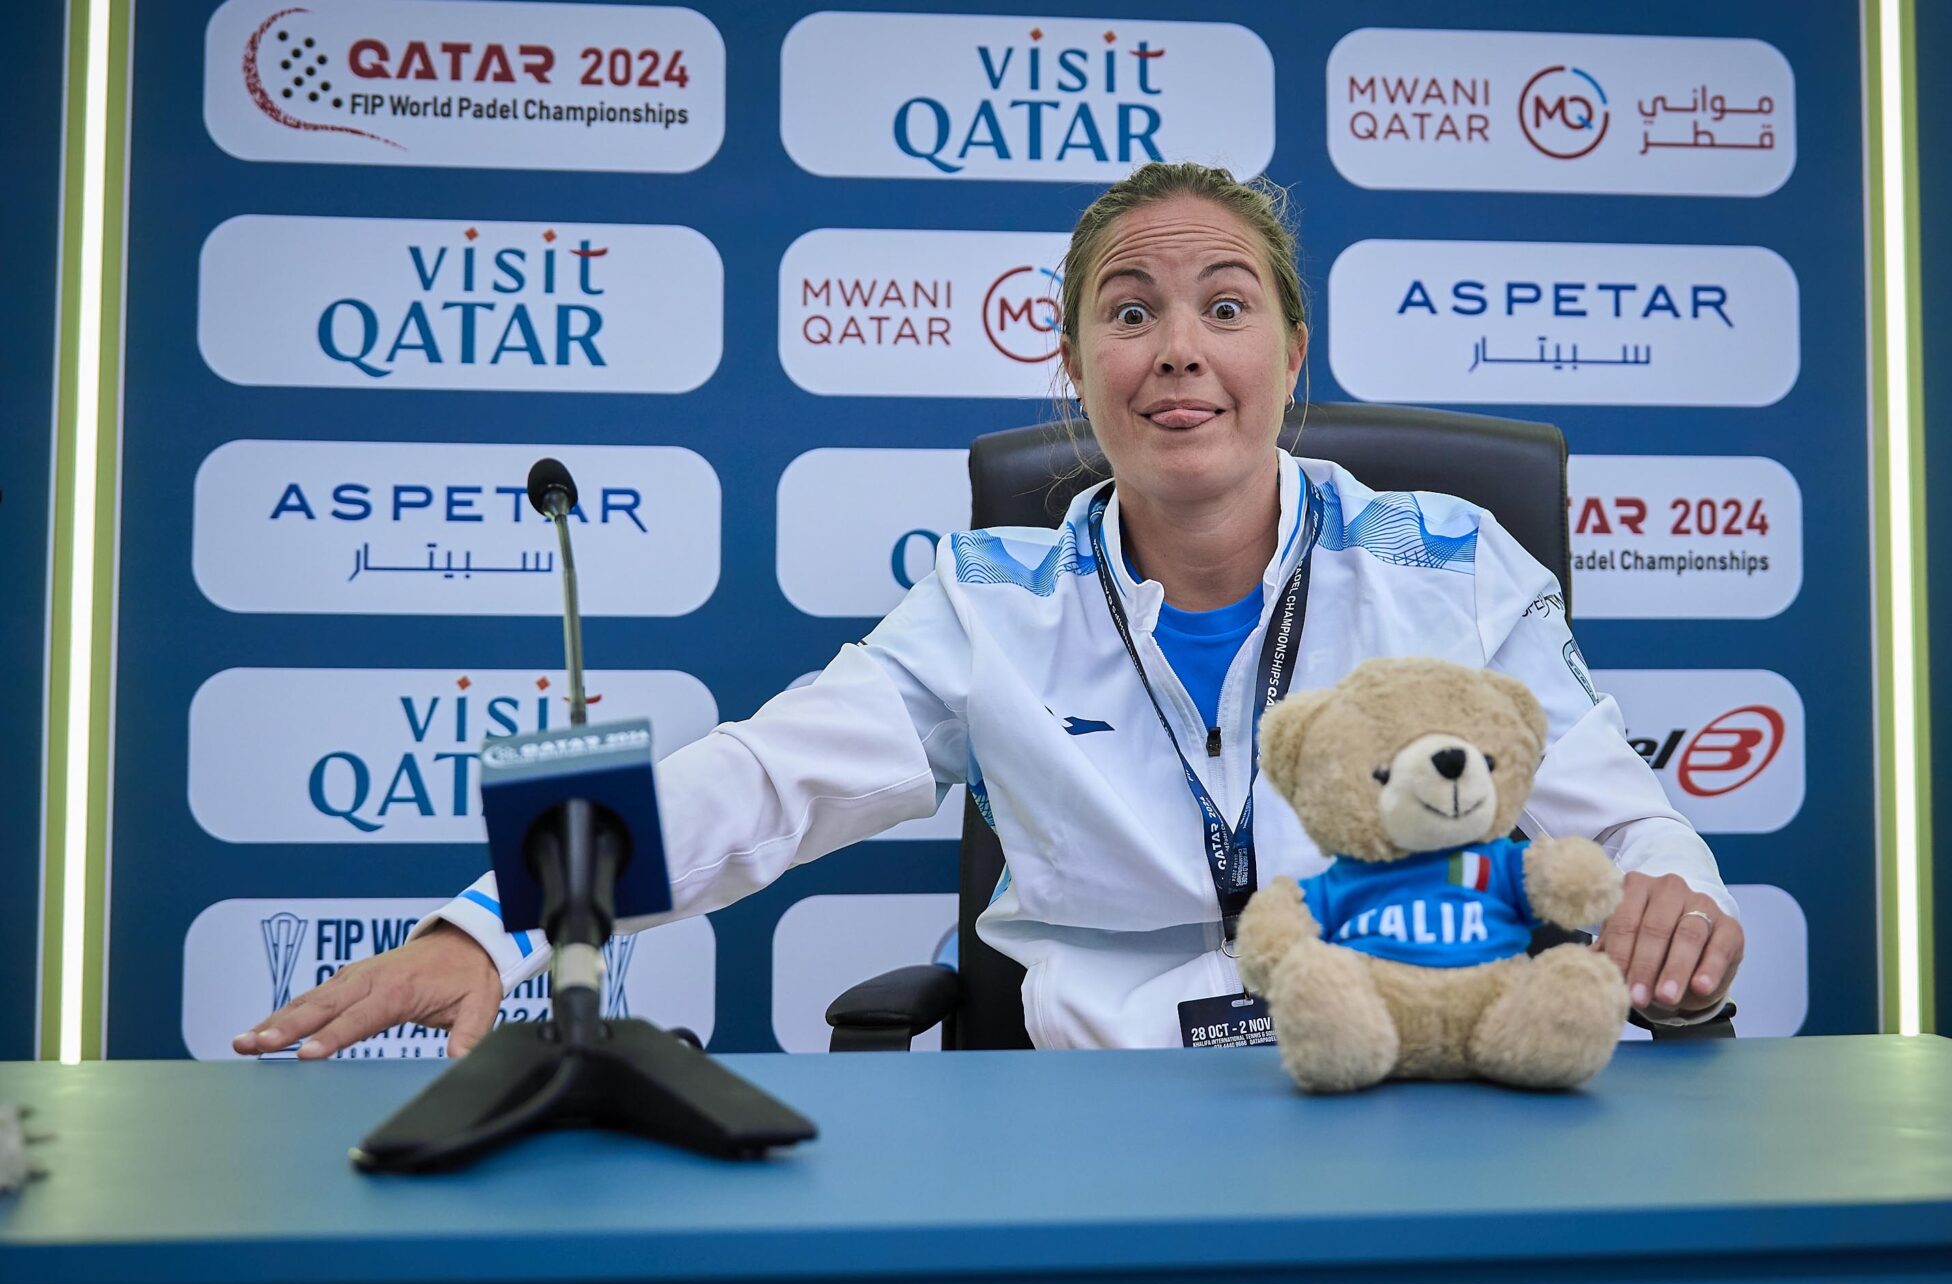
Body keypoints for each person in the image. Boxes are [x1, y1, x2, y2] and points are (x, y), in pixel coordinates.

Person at [234, 162, 1744, 1058]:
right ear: (1074, 368)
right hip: (1099, 1120)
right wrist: (489, 919)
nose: (1179, 349)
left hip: (1407, 1087)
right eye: (1130, 311)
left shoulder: (1450, 563)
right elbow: (758, 779)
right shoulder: (989, 601)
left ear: (1292, 352)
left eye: (1225, 306)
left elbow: (1630, 824)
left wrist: (1674, 896)